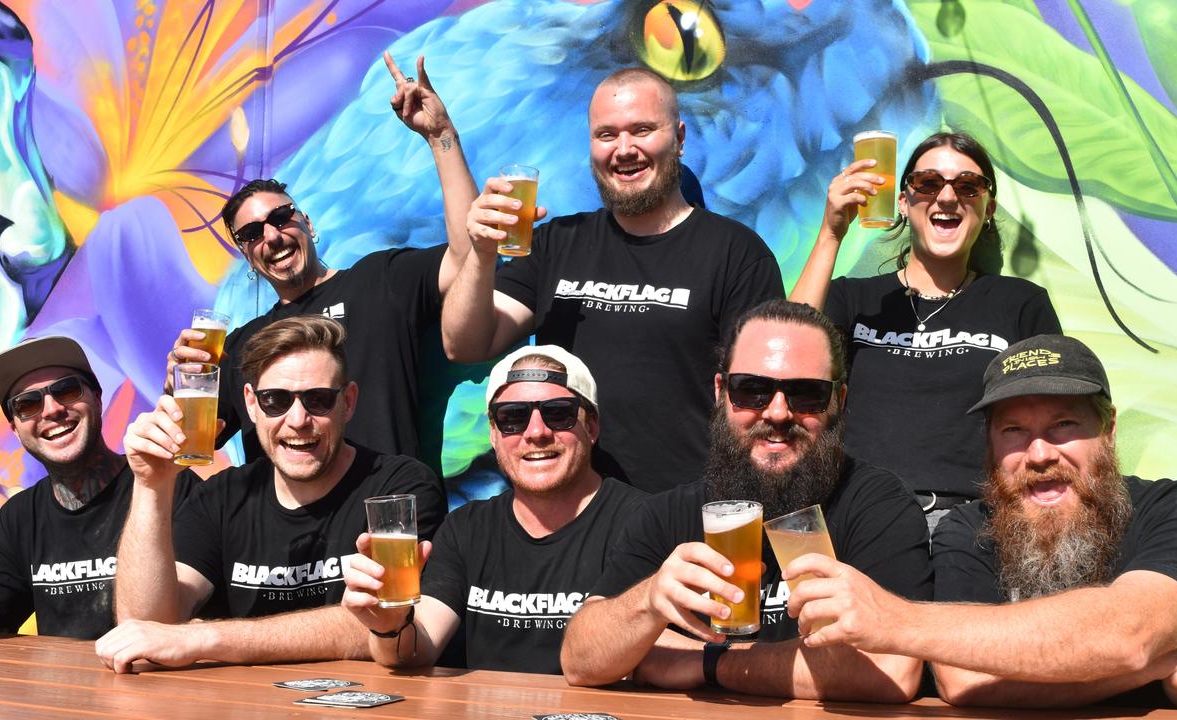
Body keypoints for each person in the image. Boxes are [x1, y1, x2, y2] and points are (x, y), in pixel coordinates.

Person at [781, 334, 1177, 710]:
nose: (1040, 454)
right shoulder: (970, 529)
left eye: (1064, 424)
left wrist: (893, 620)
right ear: (990, 445)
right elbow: (963, 678)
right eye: (1013, 430)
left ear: (1107, 430)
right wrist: (1159, 663)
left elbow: (1131, 631)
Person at [559, 300, 930, 702]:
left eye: (806, 394)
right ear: (721, 392)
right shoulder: (667, 514)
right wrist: (647, 603)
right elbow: (580, 660)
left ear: (838, 400)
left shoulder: (876, 504)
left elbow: (893, 668)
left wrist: (709, 663)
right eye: (752, 390)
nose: (778, 412)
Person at [442, 67, 784, 494]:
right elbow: (465, 343)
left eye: (642, 130)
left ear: (678, 139)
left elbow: (762, 402)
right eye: (607, 135)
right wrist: (481, 252)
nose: (624, 150)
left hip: (683, 515)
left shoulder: (736, 253)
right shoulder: (555, 244)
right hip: (572, 516)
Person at [165, 52, 476, 464]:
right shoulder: (242, 346)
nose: (272, 236)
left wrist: (440, 135)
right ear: (247, 254)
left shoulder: (379, 280)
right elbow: (191, 446)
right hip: (288, 528)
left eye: (281, 218)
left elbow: (470, 256)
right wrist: (180, 385)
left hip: (386, 517)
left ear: (306, 223)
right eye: (253, 233)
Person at [95, 316, 446, 672]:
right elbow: (146, 627)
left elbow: (380, 625)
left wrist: (204, 638)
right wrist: (151, 485)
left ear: (349, 402)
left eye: (319, 399)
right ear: (251, 404)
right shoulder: (223, 496)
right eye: (275, 400)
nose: (297, 419)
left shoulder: (398, 488)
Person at [788, 131, 1061, 528]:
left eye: (968, 186)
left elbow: (1054, 416)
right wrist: (831, 233)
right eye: (928, 183)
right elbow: (788, 356)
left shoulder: (1020, 304)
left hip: (974, 522)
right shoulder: (854, 298)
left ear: (988, 208)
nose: (947, 197)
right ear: (903, 200)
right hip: (860, 515)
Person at [341, 345, 645, 673]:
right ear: (493, 434)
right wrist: (388, 626)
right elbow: (417, 648)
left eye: (559, 413)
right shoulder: (466, 528)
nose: (536, 432)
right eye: (512, 416)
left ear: (592, 427)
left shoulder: (643, 522)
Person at [0, 336, 197, 639]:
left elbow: (181, 623)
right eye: (28, 403)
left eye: (66, 390)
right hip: (58, 685)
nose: (50, 410)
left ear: (98, 398)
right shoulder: (19, 517)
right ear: (15, 428)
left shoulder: (169, 487)